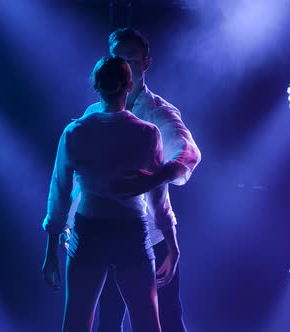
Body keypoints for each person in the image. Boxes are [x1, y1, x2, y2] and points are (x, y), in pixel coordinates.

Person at [41, 56, 181, 332]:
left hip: (89, 231)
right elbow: (158, 198)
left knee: (76, 322)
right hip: (130, 231)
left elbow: (59, 193)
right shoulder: (147, 133)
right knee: (147, 323)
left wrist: (50, 250)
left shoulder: (75, 132)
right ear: (129, 85)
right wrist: (172, 245)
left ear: (96, 85)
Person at [84, 28, 201, 332]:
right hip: (103, 236)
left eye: (132, 62)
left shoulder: (158, 113)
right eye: (117, 60)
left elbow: (189, 153)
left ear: (146, 62)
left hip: (150, 238)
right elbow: (78, 176)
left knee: (166, 321)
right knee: (107, 322)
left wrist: (155, 177)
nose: (124, 69)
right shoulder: (93, 113)